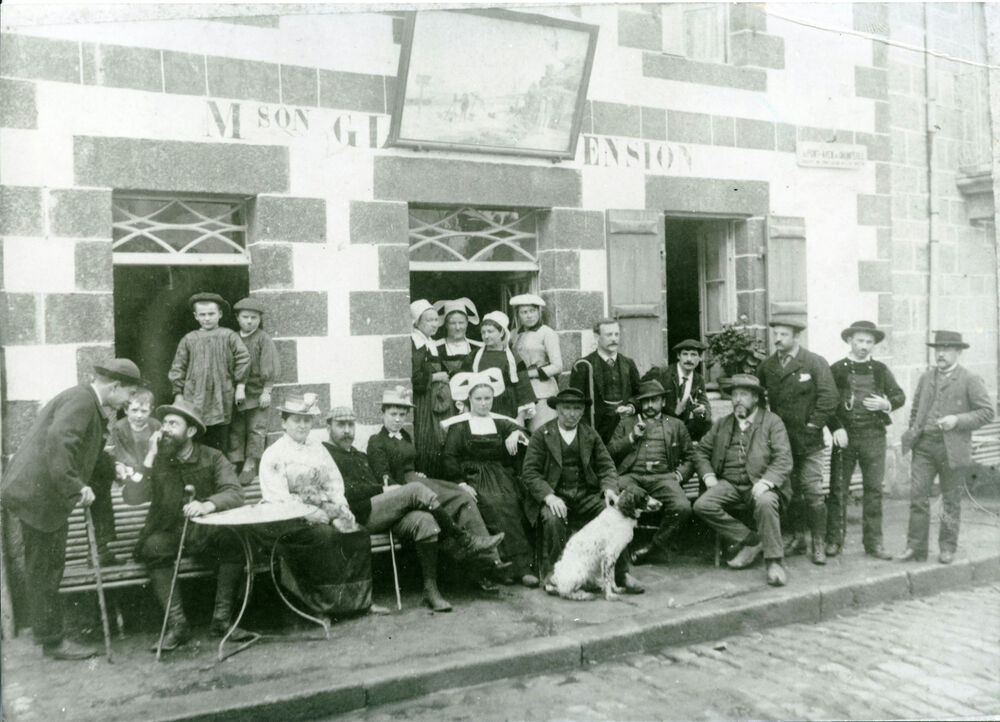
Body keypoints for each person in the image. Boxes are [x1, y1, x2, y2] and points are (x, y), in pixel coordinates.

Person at [1, 359, 144, 660]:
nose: (130, 401)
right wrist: (76, 486)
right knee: (45, 568)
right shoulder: (82, 401)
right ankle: (52, 642)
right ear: (115, 386)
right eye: (130, 394)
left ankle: (51, 637)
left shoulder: (87, 402)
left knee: (48, 565)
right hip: (37, 495)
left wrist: (112, 467)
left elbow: (85, 449)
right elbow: (59, 443)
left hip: (43, 493)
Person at [325, 405, 503, 612]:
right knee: (416, 489)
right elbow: (344, 491)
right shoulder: (325, 455)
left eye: (350, 425)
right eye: (340, 425)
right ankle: (463, 539)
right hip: (359, 515)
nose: (347, 431)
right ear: (328, 427)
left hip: (383, 512)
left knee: (425, 521)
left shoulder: (359, 455)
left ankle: (431, 590)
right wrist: (382, 489)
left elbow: (380, 479)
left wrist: (390, 488)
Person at [365, 386, 512, 590]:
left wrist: (418, 473)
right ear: (383, 414)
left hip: (417, 481)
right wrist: (411, 482)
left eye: (402, 414)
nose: (397, 419)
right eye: (393, 414)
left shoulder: (405, 436)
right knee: (461, 498)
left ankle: (490, 561)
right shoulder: (376, 441)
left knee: (464, 495)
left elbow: (409, 464)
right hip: (405, 490)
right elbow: (385, 478)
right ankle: (487, 560)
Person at [134, 398, 248, 651]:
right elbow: (133, 496)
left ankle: (222, 621)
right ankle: (178, 626)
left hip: (205, 531)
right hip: (170, 532)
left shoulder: (213, 457)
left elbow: (234, 492)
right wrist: (149, 457)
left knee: (233, 541)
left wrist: (207, 505)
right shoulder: (158, 459)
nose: (165, 429)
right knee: (152, 547)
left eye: (173, 424)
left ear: (191, 431)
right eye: (164, 423)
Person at [258, 393, 385, 619]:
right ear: (284, 423)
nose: (302, 425)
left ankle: (360, 602)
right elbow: (277, 497)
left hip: (323, 512)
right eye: (296, 420)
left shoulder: (317, 448)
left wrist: (342, 508)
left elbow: (334, 482)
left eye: (307, 420)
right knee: (325, 537)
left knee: (358, 534)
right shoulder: (274, 454)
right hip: (290, 520)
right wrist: (310, 513)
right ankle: (324, 606)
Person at [520, 388, 643, 593]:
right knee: (552, 519)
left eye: (577, 408)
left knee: (615, 515)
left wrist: (609, 489)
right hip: (555, 495)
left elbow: (606, 466)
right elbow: (530, 473)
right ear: (557, 409)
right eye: (566, 408)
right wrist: (549, 497)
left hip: (586, 496)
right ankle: (554, 574)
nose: (571, 413)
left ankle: (621, 574)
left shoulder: (589, 434)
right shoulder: (542, 434)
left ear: (583, 411)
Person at [900, 330, 994, 565]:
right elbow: (916, 410)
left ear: (958, 352)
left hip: (951, 449)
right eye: (938, 350)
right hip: (924, 446)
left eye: (947, 350)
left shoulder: (970, 379)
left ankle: (947, 547)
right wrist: (914, 431)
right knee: (918, 496)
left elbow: (987, 412)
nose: (940, 354)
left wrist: (957, 420)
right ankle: (915, 547)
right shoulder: (926, 378)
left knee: (950, 500)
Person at [692, 375, 793, 587]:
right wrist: (709, 476)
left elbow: (783, 458)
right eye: (735, 395)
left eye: (744, 394)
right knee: (702, 504)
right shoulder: (722, 424)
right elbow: (701, 451)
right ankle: (753, 540)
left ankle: (774, 563)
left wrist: (766, 482)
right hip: (729, 484)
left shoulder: (772, 422)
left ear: (755, 398)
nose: (738, 399)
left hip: (760, 483)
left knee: (766, 502)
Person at [441, 371, 537, 587]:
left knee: (513, 504)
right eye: (478, 399)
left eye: (488, 398)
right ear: (469, 399)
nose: (484, 403)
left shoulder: (501, 422)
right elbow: (449, 456)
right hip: (473, 477)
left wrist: (516, 433)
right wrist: (460, 483)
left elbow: (521, 431)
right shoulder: (460, 425)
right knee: (493, 505)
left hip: (500, 475)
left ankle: (523, 567)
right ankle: (501, 568)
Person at [756, 313, 837, 565]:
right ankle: (798, 538)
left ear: (796, 336)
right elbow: (758, 399)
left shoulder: (814, 362)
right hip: (782, 444)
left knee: (813, 492)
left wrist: (814, 425)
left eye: (783, 335)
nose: (778, 339)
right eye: (775, 334)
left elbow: (829, 397)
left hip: (809, 442)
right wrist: (768, 428)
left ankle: (818, 542)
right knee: (789, 493)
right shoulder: (767, 366)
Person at [824, 321, 906, 560]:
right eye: (859, 341)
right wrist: (836, 428)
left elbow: (899, 396)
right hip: (845, 438)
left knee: (874, 490)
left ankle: (874, 543)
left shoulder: (880, 370)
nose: (864, 346)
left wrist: (886, 404)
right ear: (850, 341)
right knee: (838, 489)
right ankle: (834, 540)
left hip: (874, 437)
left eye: (869, 342)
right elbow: (826, 402)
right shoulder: (837, 369)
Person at [607, 380, 694, 565]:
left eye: (654, 400)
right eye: (645, 401)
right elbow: (610, 452)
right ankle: (616, 550)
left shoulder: (676, 425)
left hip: (663, 478)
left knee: (682, 507)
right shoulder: (627, 423)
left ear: (663, 402)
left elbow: (691, 457)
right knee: (611, 494)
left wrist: (679, 475)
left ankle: (653, 547)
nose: (649, 405)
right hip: (632, 477)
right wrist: (632, 437)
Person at [168, 292, 250, 454]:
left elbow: (243, 358)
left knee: (220, 437)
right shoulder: (189, 339)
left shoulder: (229, 336)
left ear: (220, 314)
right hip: (195, 395)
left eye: (211, 314)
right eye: (202, 314)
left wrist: (240, 385)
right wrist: (178, 394)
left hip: (222, 394)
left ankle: (219, 465)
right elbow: (178, 367)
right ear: (196, 316)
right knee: (195, 432)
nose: (207, 318)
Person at [228, 297, 281, 485]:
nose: (249, 321)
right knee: (236, 429)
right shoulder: (232, 338)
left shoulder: (263, 339)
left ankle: (250, 463)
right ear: (237, 318)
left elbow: (270, 365)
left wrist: (267, 391)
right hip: (238, 393)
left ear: (259, 319)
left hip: (257, 393)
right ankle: (234, 462)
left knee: (256, 428)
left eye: (254, 318)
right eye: (245, 317)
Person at [569, 318, 640, 445]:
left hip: (624, 430)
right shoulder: (584, 365)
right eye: (609, 335)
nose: (614, 339)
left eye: (617, 334)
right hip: (596, 430)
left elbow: (638, 394)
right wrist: (586, 433)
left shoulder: (628, 364)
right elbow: (576, 402)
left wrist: (630, 407)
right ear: (597, 337)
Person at [470, 311, 537, 424]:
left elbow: (523, 387)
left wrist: (520, 417)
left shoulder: (513, 357)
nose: (486, 336)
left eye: (490, 331)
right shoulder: (474, 356)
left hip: (507, 407)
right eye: (483, 332)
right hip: (480, 406)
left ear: (501, 332)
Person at [509, 294, 563, 431]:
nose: (529, 316)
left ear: (539, 312)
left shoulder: (547, 333)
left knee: (541, 431)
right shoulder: (513, 334)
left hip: (542, 391)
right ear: (518, 315)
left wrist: (530, 374)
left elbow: (557, 366)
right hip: (520, 391)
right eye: (524, 312)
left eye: (532, 311)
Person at [642, 339, 713, 441]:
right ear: (678, 356)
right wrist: (675, 412)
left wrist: (702, 411)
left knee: (708, 424)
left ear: (700, 358)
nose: (689, 359)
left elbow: (705, 404)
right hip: (660, 425)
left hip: (682, 428)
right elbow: (640, 394)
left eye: (693, 355)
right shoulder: (661, 373)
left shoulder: (698, 379)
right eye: (685, 354)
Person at [410, 299, 451, 477]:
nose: (434, 324)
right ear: (417, 322)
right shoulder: (416, 343)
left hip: (436, 400)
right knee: (427, 440)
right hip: (424, 401)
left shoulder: (429, 342)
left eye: (436, 320)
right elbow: (415, 378)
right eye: (429, 320)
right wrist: (436, 377)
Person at [434, 297, 483, 379]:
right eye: (453, 323)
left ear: (467, 323)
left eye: (461, 323)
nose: (458, 327)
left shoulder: (478, 347)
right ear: (446, 324)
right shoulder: (435, 347)